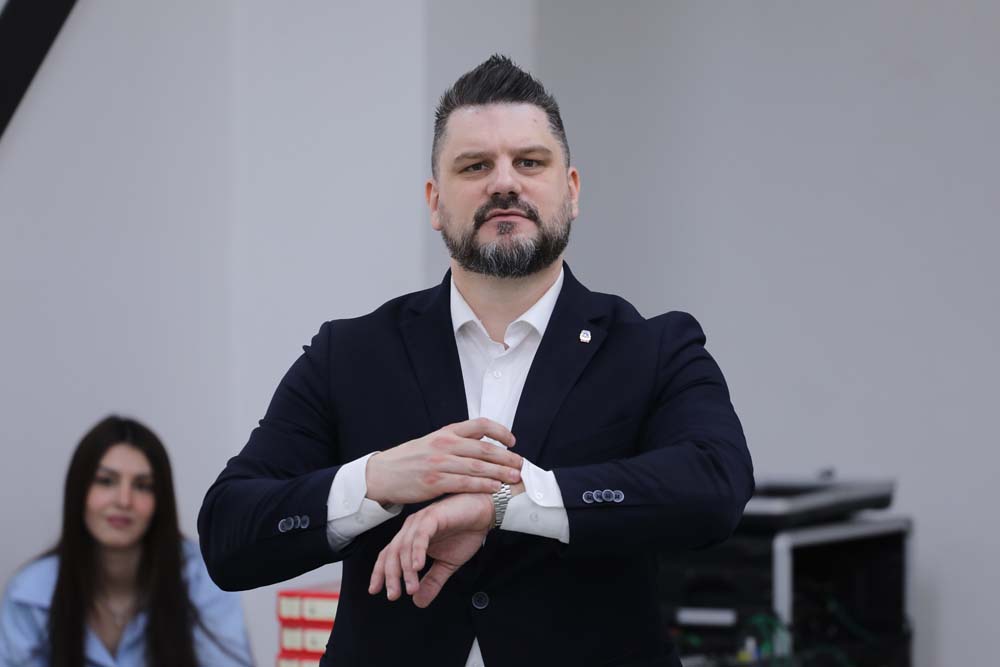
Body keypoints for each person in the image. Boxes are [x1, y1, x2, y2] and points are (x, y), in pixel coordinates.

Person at [198, 55, 754, 667]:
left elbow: (714, 486)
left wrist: (509, 503)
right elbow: (228, 532)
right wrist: (376, 481)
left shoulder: (653, 348)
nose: (504, 183)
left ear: (571, 191)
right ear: (435, 202)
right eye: (475, 166)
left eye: (530, 162)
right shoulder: (349, 353)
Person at [0, 416, 253, 667]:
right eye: (106, 481)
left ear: (161, 501)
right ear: (79, 491)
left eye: (142, 486)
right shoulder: (30, 595)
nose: (124, 501)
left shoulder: (202, 578)